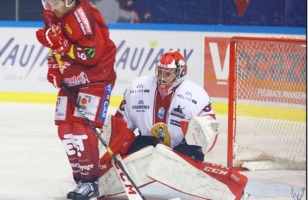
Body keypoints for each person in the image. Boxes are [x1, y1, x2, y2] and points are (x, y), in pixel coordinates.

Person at [97, 51, 249, 200]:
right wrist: (108, 154)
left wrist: (198, 132)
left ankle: (233, 186)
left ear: (180, 73)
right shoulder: (137, 88)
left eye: (168, 73)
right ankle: (97, 185)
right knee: (126, 156)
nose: (162, 78)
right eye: (161, 72)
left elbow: (208, 137)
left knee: (168, 160)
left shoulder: (196, 95)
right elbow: (121, 125)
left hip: (183, 147)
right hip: (148, 142)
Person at [35, 0, 117, 200]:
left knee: (82, 129)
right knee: (64, 128)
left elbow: (92, 56)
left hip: (96, 76)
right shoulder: (53, 10)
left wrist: (64, 46)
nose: (50, 8)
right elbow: (53, 39)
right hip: (72, 76)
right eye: (47, 2)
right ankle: (80, 177)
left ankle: (91, 183)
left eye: (55, 3)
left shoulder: (83, 19)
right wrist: (53, 64)